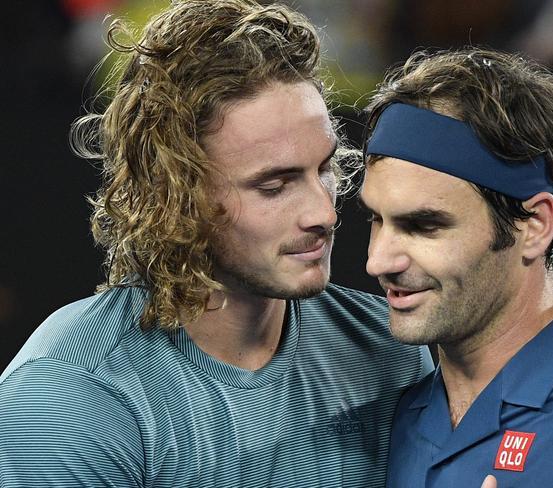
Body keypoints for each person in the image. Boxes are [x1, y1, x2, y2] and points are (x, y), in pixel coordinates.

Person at [0, 1, 433, 486]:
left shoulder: (390, 347)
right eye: (274, 186)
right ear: (176, 195)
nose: (324, 213)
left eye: (325, 169)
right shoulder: (69, 393)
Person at [360, 47, 553, 487]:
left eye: (424, 225)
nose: (378, 261)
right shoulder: (389, 420)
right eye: (376, 219)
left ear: (534, 225)